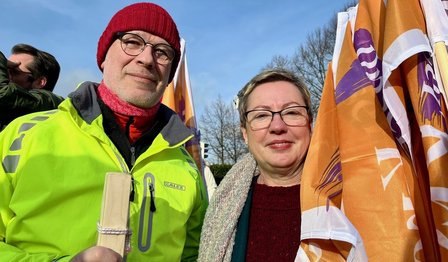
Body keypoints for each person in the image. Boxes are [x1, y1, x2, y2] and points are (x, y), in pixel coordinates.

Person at [0, 2, 207, 261]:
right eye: (132, 42)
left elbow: (195, 254)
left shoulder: (186, 164)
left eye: (163, 52)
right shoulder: (23, 135)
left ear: (168, 75)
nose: (146, 59)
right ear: (103, 56)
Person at [198, 69, 313, 262]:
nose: (277, 126)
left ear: (310, 124)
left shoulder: (347, 198)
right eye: (261, 115)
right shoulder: (224, 206)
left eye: (292, 112)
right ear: (245, 133)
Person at [0, 43, 63, 129]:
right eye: (5, 69)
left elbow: (4, 94)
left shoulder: (49, 103)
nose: (5, 76)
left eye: (14, 71)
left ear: (40, 82)